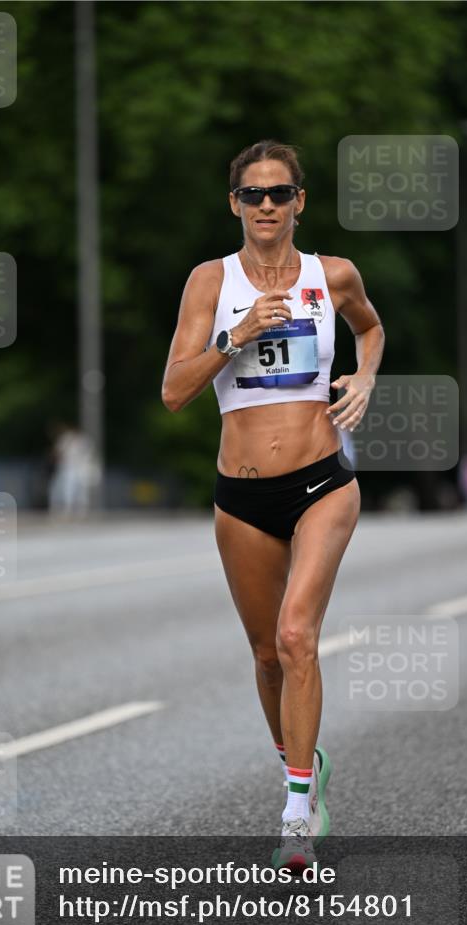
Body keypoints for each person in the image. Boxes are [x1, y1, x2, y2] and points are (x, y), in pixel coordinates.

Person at [161, 140, 384, 871]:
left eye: (280, 194)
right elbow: (173, 392)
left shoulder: (333, 275)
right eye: (253, 195)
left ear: (299, 202)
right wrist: (235, 336)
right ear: (234, 204)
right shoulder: (209, 282)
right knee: (264, 655)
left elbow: (370, 328)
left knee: (295, 637)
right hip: (242, 492)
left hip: (323, 479)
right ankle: (301, 764)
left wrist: (364, 378)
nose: (266, 206)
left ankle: (295, 809)